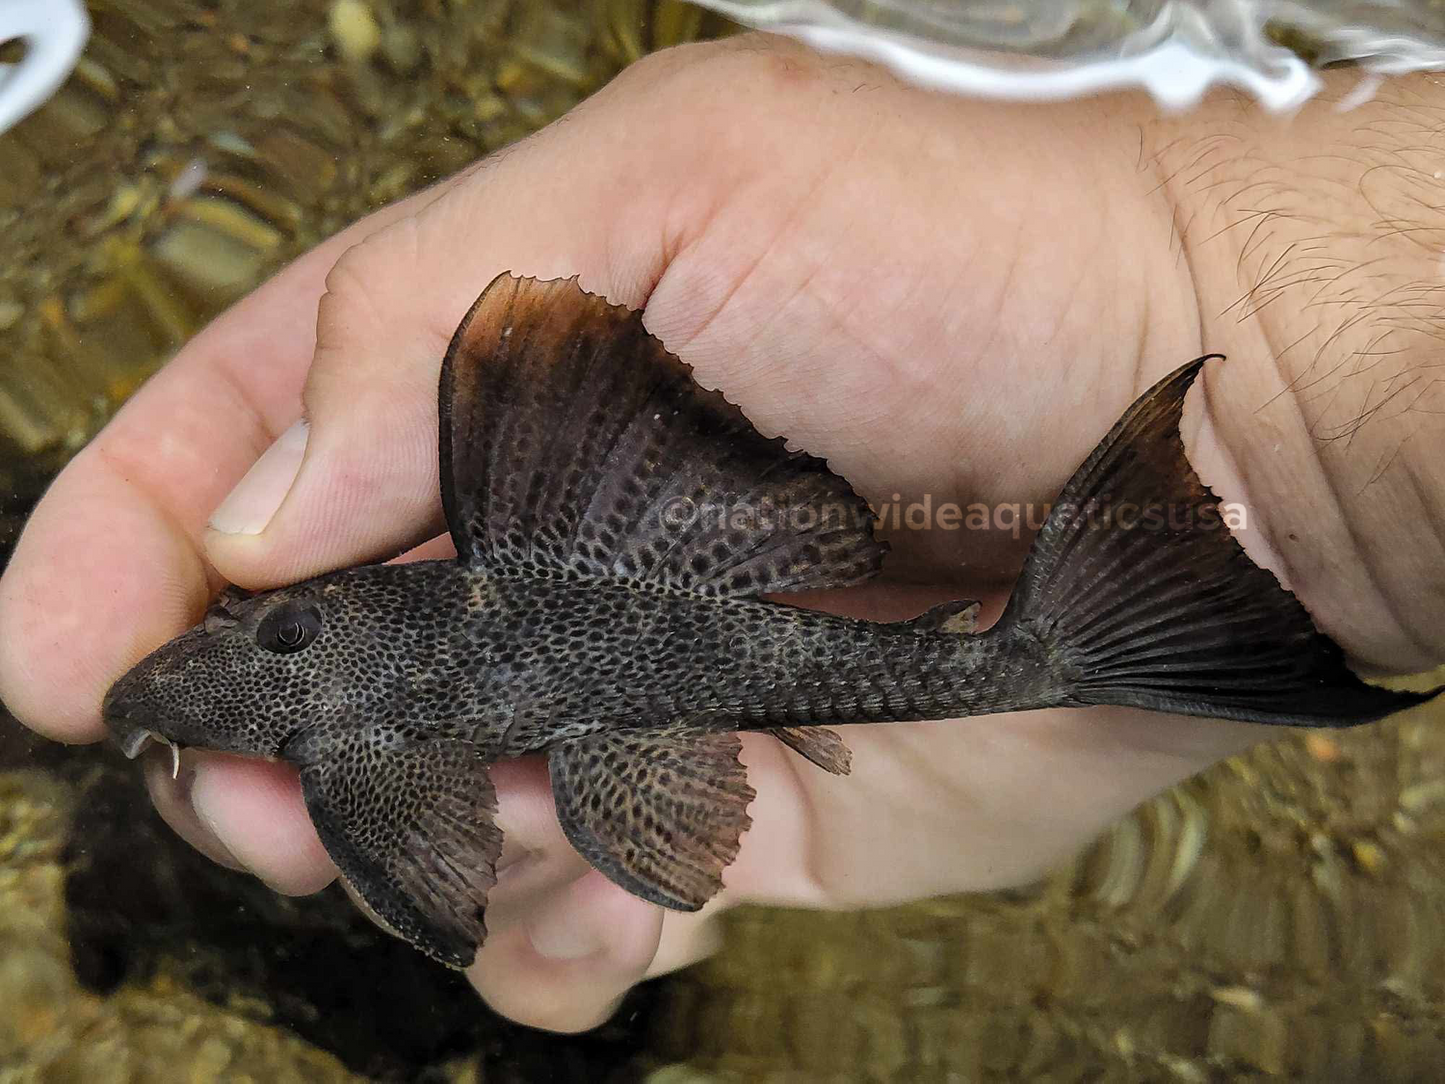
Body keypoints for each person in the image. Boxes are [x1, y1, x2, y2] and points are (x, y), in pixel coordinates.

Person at [0, 34, 1441, 1034]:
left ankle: (1116, 626)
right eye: (252, 630)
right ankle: (1133, 619)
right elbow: (433, 883)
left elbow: (431, 891)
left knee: (554, 902)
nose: (251, 620)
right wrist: (1285, 403)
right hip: (626, 590)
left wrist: (1280, 389)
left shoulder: (357, 753)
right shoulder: (354, 739)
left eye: (266, 624)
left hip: (610, 597)